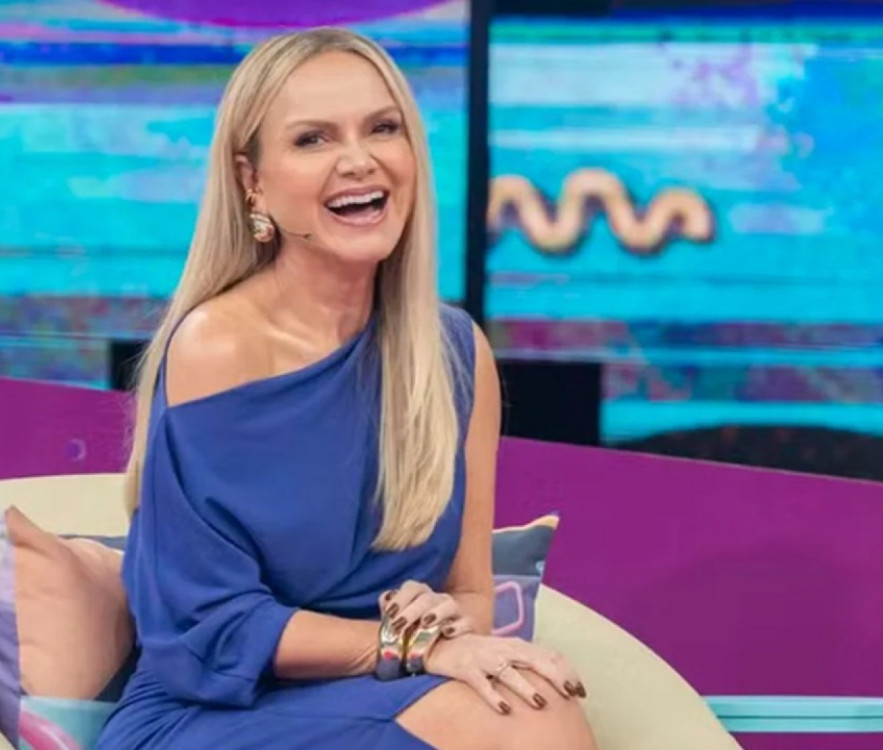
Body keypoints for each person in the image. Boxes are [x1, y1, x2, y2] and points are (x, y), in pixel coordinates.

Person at [94, 27, 598, 750]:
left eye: (382, 129)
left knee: (532, 704)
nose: (359, 161)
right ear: (251, 180)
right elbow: (206, 627)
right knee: (524, 723)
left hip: (387, 691)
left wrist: (444, 620)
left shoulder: (455, 354)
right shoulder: (220, 346)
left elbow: (473, 594)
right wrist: (410, 647)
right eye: (313, 139)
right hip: (215, 712)